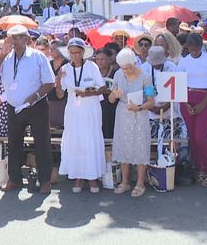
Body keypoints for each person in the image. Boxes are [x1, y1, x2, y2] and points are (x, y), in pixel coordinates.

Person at [0, 24, 55, 194]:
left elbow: (50, 83)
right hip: (14, 106)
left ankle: (45, 180)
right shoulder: (6, 58)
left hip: (35, 105)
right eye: (12, 38)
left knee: (42, 142)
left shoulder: (38, 57)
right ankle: (15, 179)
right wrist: (2, 55)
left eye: (18, 37)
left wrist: (36, 95)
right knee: (14, 143)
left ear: (27, 39)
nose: (15, 41)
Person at [55, 38, 105, 193]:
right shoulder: (65, 69)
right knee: (75, 141)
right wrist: (58, 79)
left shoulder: (92, 66)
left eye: (77, 53)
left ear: (83, 52)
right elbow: (59, 94)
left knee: (90, 140)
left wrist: (88, 93)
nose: (75, 56)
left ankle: (92, 177)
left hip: (90, 109)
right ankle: (78, 176)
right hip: (73, 111)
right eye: (72, 53)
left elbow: (103, 88)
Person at [109, 48, 155, 197]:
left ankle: (140, 183)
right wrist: (114, 95)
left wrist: (139, 107)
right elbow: (110, 99)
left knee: (140, 146)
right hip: (122, 113)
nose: (125, 71)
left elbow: (151, 101)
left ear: (134, 63)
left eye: (128, 68)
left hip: (140, 115)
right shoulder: (118, 75)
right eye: (123, 68)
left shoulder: (146, 77)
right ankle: (124, 181)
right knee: (123, 146)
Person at [178, 33, 207, 186]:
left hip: (205, 100)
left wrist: (203, 104)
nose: (194, 51)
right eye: (191, 48)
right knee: (193, 138)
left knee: (201, 137)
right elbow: (179, 84)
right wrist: (185, 103)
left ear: (201, 46)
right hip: (187, 100)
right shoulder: (183, 62)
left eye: (197, 48)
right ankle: (199, 169)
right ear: (187, 47)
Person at [95, 48, 118, 139]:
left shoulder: (116, 72)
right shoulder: (94, 72)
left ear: (109, 59)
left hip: (112, 107)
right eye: (97, 59)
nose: (99, 62)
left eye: (102, 59)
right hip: (97, 105)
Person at [47, 41, 68, 128]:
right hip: (49, 98)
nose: (51, 51)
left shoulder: (67, 64)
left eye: (54, 49)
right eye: (50, 49)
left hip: (63, 99)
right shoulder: (48, 64)